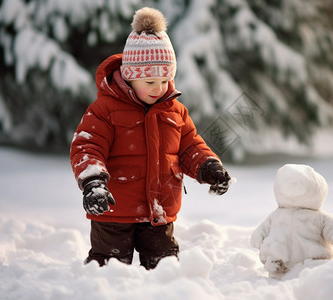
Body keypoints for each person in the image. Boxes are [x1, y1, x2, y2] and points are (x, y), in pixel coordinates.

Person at [70, 7, 232, 269]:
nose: (159, 88)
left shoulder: (175, 110)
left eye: (164, 79)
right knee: (109, 269)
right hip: (113, 212)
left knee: (164, 268)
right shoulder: (105, 110)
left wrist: (208, 166)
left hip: (159, 211)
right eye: (149, 82)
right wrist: (93, 182)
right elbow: (87, 146)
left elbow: (190, 145)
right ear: (129, 77)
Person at [250, 164, 333, 279]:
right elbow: (264, 228)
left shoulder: (319, 217)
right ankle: (278, 271)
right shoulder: (276, 215)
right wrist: (258, 236)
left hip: (314, 267)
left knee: (317, 274)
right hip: (280, 266)